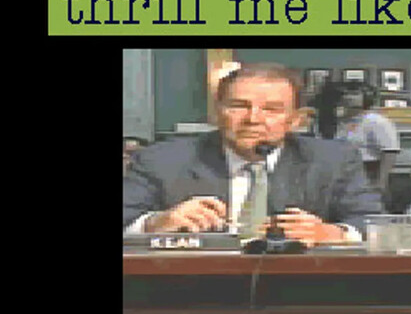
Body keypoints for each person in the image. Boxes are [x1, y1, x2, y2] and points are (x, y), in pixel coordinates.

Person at [123, 63, 383, 245]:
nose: (252, 119)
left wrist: (333, 233)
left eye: (271, 109)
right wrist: (155, 224)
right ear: (217, 112)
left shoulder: (333, 159)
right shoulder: (162, 160)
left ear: (296, 120)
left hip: (302, 290)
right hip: (189, 291)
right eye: (238, 106)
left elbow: (372, 221)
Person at [331, 81, 401, 194]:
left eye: (354, 94)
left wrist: (380, 182)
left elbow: (390, 152)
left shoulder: (376, 121)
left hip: (368, 171)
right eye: (346, 94)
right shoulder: (339, 122)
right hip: (343, 172)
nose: (348, 97)